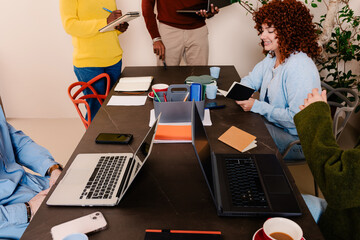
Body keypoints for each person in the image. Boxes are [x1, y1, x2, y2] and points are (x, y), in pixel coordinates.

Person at [236, 0, 321, 160]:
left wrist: (258, 106)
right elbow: (252, 79)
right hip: (275, 127)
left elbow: (296, 120)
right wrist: (242, 90)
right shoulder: (273, 56)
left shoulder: (299, 67)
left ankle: (255, 179)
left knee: (241, 134)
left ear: (288, 30)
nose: (262, 36)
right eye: (262, 30)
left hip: (296, 141)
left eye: (269, 31)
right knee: (238, 130)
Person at [294, 88, 360, 240]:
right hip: (339, 213)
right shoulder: (270, 65)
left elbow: (340, 180)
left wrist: (258, 107)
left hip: (342, 226)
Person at [60, 0, 129, 122]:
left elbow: (106, 28)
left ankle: (115, 140)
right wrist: (105, 22)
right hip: (88, 63)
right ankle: (94, 141)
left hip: (114, 59)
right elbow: (70, 26)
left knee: (114, 109)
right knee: (97, 112)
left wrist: (118, 28)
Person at [0, 107, 62, 239]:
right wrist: (27, 209)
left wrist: (52, 168)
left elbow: (17, 143)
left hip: (31, 185)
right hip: (10, 216)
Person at [142, 0, 219, 66]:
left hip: (198, 30)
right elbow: (146, 5)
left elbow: (208, 5)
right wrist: (155, 37)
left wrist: (209, 12)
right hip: (169, 30)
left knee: (200, 77)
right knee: (165, 77)